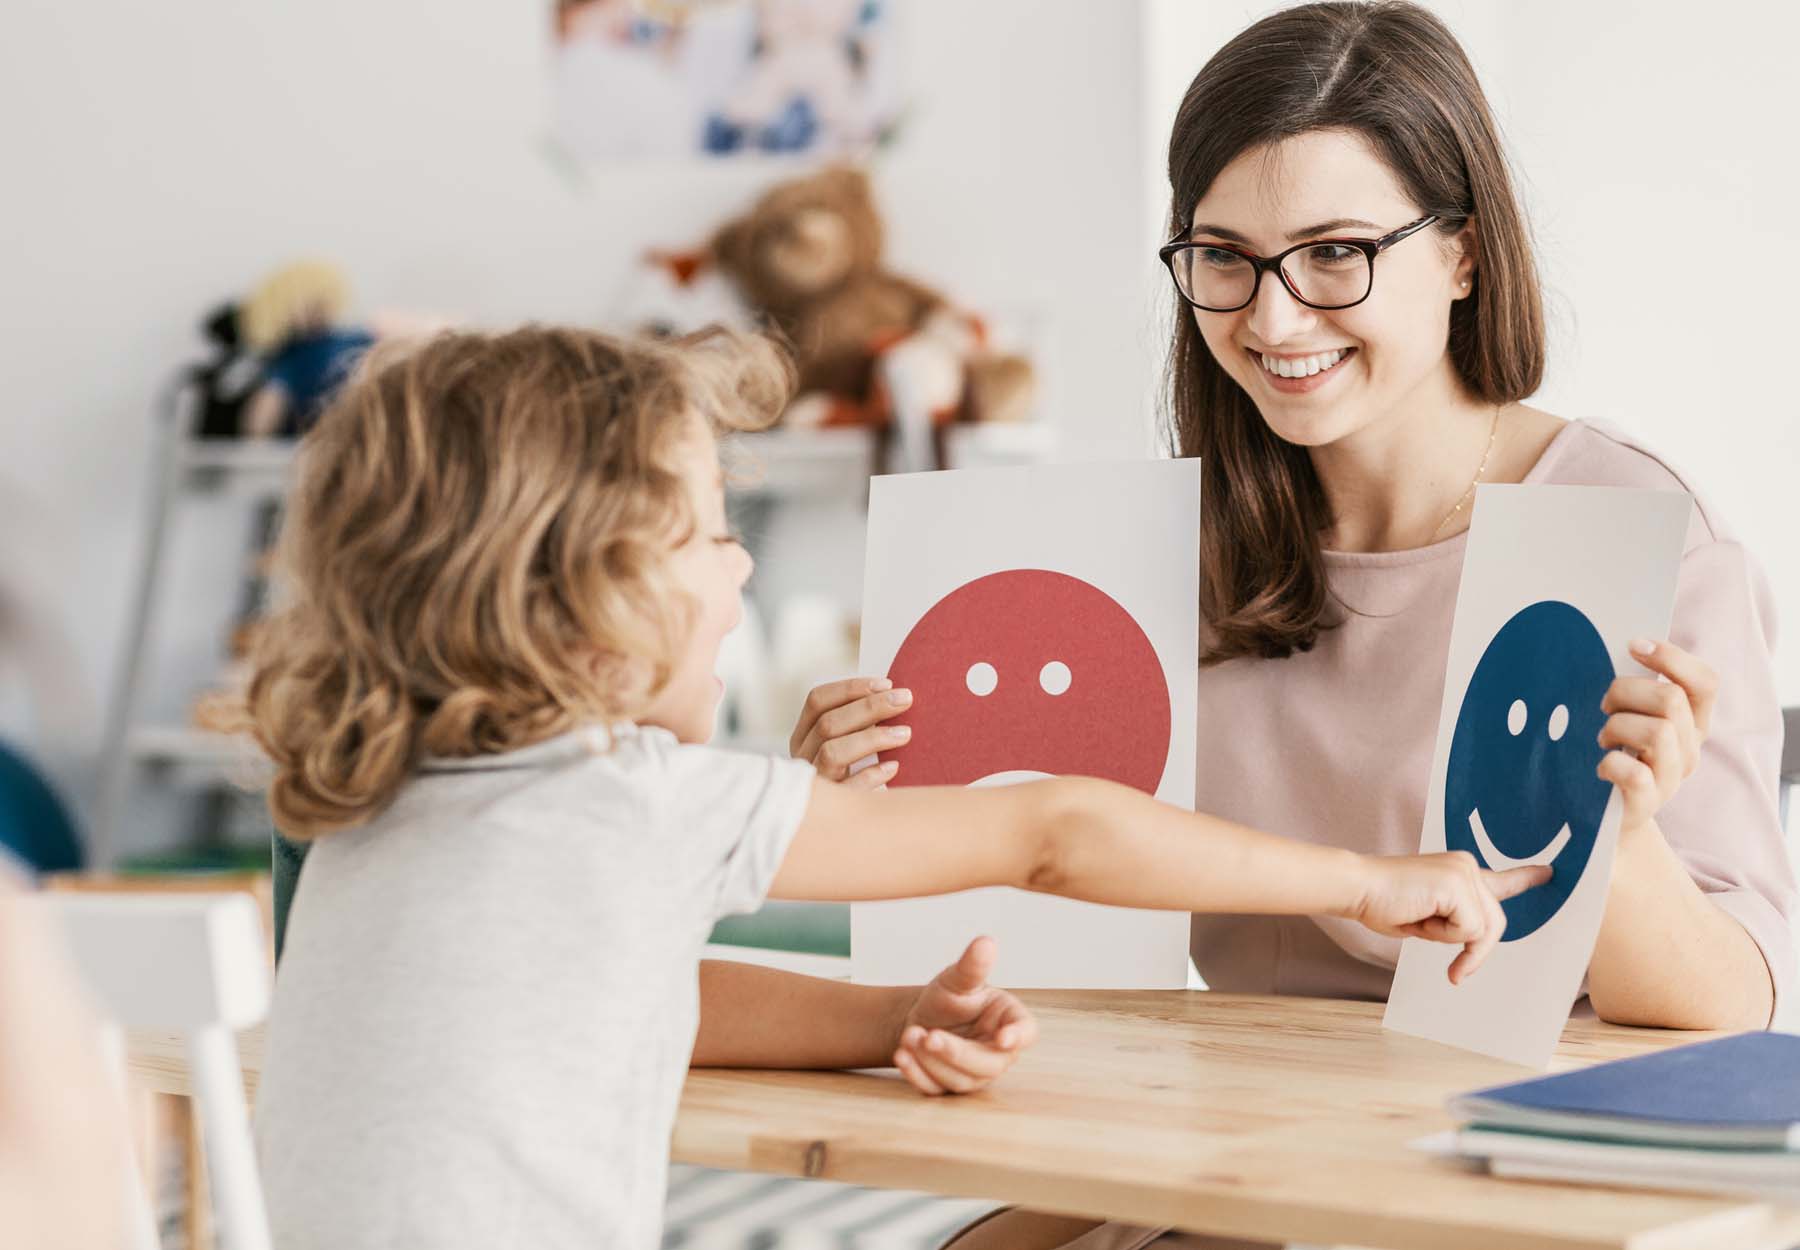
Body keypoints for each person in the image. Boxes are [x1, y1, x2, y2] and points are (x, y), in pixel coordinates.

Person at [792, 4, 1797, 1247]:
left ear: (1465, 254)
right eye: (1225, 256)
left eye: (1334, 253)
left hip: (1499, 1174)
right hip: (1226, 1144)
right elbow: (1044, 897)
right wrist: (855, 801)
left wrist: (1622, 836)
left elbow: (1728, 1014)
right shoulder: (1156, 553)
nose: (1271, 321)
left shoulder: (1632, 526)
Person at [242, 323, 1536, 1250]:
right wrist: (1371, 877)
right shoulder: (632, 799)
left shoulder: (380, 814)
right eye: (708, 534)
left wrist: (893, 1016)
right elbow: (1055, 827)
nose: (742, 573)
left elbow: (635, 990)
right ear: (577, 597)